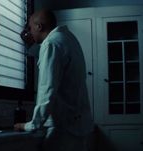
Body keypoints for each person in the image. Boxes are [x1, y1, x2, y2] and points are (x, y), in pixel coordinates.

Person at [14, 9, 94, 151]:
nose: (29, 31)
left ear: (39, 27)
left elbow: (47, 89)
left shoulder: (51, 44)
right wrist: (31, 46)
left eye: (30, 27)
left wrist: (31, 124)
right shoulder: (67, 38)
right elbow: (54, 64)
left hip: (65, 128)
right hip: (79, 126)